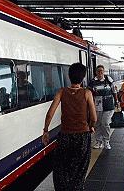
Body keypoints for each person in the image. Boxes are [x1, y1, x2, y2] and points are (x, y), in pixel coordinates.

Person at [42, 63, 97, 191]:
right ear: (83, 78)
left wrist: (45, 130)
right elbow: (94, 117)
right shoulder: (87, 93)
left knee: (61, 170)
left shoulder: (61, 91)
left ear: (69, 76)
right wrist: (91, 127)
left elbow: (50, 114)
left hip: (65, 137)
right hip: (83, 137)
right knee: (79, 171)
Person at [89, 65, 118, 150]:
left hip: (108, 105)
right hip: (97, 106)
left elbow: (114, 91)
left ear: (104, 71)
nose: (100, 72)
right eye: (98, 71)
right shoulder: (92, 82)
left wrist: (116, 101)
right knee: (97, 124)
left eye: (102, 71)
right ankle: (99, 141)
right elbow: (89, 93)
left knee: (105, 123)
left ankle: (106, 141)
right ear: (96, 72)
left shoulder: (108, 80)